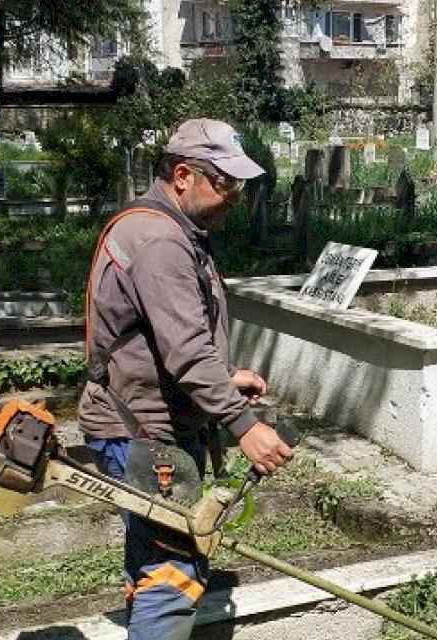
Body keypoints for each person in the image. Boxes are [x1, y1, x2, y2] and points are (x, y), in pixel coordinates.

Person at [78, 118, 293, 640]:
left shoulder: (165, 229)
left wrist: (225, 376)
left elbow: (164, 336)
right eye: (225, 183)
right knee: (172, 575)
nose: (234, 197)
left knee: (155, 561)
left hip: (143, 424)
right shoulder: (161, 241)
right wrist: (244, 425)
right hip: (147, 436)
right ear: (181, 176)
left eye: (239, 185)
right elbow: (186, 351)